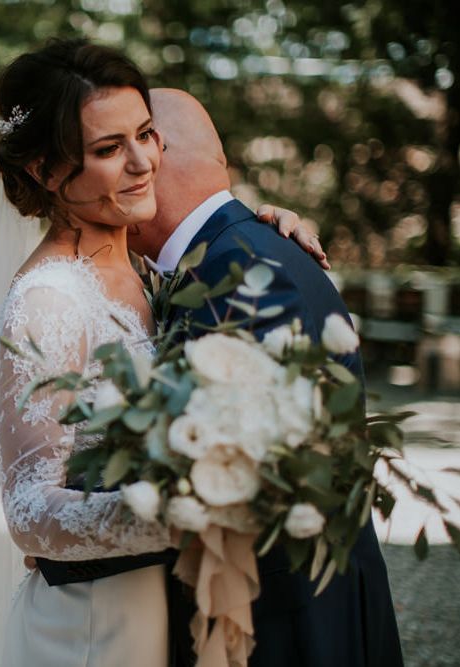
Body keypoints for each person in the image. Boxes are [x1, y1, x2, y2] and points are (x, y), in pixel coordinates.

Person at [0, 39, 328, 667]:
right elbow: (30, 512)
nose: (144, 162)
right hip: (90, 629)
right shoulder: (49, 302)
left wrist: (258, 233)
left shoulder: (145, 269)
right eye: (109, 150)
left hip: (156, 613)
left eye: (146, 134)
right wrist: (187, 512)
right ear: (44, 170)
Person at [127, 87, 403, 667]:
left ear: (157, 152)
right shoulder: (235, 250)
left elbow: (253, 475)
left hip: (288, 617)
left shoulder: (244, 267)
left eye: (132, 144)